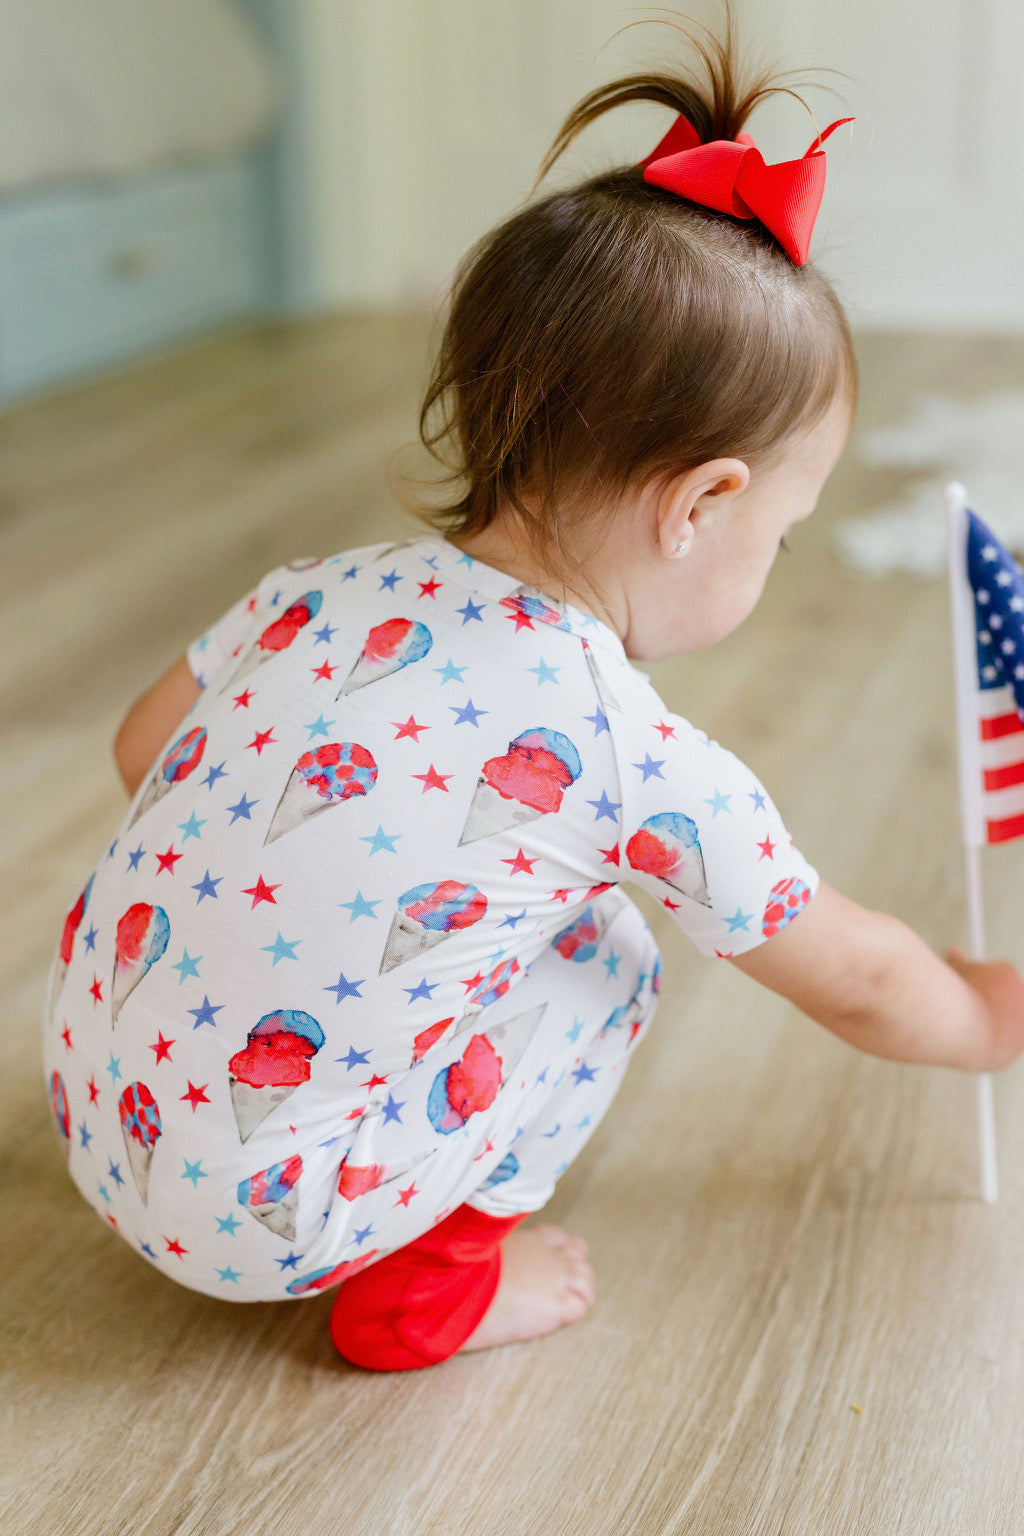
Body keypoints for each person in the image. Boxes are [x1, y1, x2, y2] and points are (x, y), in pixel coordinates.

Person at [42, 7, 1024, 1373]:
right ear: (703, 505)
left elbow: (143, 746)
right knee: (605, 953)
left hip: (97, 1110)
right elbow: (853, 976)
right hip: (265, 1220)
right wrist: (984, 1015)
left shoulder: (317, 586)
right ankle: (428, 1293)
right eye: (780, 534)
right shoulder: (623, 751)